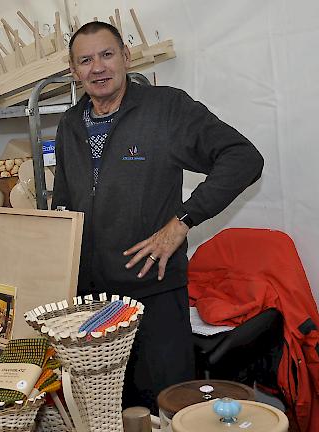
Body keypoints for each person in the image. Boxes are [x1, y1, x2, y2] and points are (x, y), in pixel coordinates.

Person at [52, 22, 264, 412]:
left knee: (167, 408)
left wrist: (182, 221)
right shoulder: (70, 124)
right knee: (109, 411)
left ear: (126, 57)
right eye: (85, 60)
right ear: (73, 70)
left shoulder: (166, 109)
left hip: (153, 291)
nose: (97, 67)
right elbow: (63, 204)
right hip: (94, 304)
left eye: (106, 54)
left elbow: (243, 158)